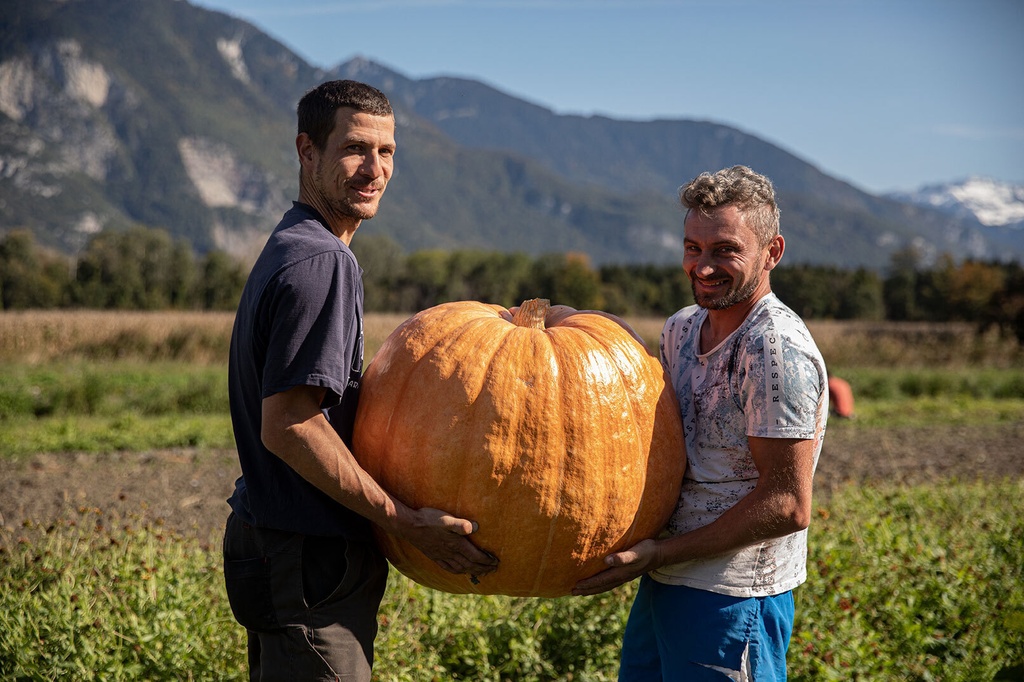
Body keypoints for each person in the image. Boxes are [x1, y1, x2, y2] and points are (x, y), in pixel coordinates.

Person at [223, 80, 499, 681]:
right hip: (309, 558)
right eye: (354, 148)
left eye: (387, 152)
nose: (373, 169)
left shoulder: (293, 243)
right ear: (307, 151)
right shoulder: (323, 262)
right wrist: (402, 520)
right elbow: (291, 424)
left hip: (278, 546)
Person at [574, 165, 828, 681]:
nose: (704, 266)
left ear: (772, 252)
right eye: (694, 248)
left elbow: (787, 505)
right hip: (665, 581)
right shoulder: (680, 329)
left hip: (733, 598)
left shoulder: (775, 350)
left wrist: (660, 552)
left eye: (725, 250)